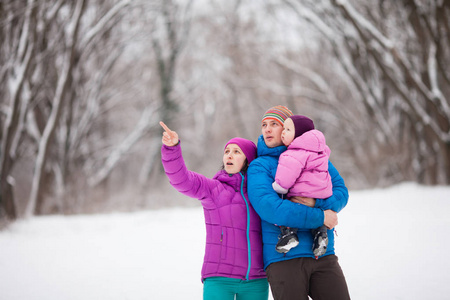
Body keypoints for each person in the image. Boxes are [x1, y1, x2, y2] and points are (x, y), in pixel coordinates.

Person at [247, 106, 350, 300]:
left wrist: (314, 202)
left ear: (290, 129)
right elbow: (271, 208)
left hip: (323, 254)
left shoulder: (316, 156)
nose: (267, 129)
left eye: (275, 124)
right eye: (264, 125)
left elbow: (341, 192)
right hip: (284, 258)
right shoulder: (260, 166)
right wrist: (321, 215)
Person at [160, 121, 268, 300]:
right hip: (219, 278)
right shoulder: (213, 189)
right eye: (226, 152)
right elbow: (182, 179)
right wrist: (172, 149)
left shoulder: (261, 194)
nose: (229, 156)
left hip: (256, 280)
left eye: (236, 152)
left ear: (248, 159)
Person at [271, 115, 332, 259]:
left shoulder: (293, 153)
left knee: (289, 210)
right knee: (317, 219)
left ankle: (289, 235)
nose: (283, 132)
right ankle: (320, 235)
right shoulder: (321, 151)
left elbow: (286, 176)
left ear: (299, 135)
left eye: (288, 129)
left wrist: (279, 187)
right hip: (321, 195)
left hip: (302, 194)